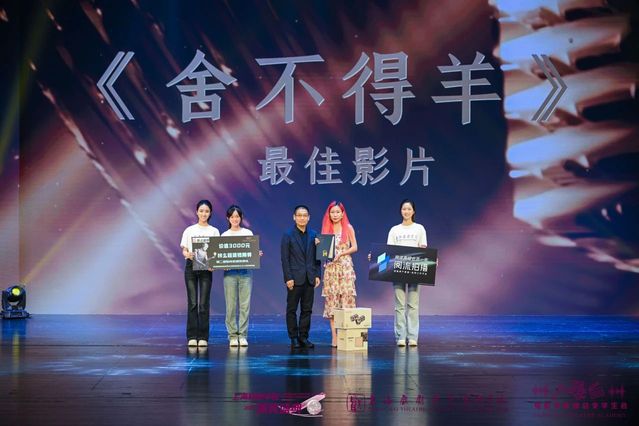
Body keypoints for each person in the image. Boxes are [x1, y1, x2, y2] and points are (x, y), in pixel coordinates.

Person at [387, 199, 427, 347]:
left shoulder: (419, 229)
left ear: (413, 211)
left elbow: (423, 250)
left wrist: (431, 261)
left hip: (414, 270)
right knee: (399, 305)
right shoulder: (394, 230)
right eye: (404, 209)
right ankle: (401, 336)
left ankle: (413, 336)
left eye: (409, 209)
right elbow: (388, 251)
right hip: (397, 269)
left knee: (413, 305)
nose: (406, 211)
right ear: (401, 211)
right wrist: (375, 258)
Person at [180, 200, 220, 348]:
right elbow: (184, 250)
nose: (204, 214)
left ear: (210, 213)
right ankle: (192, 336)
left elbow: (216, 253)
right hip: (191, 267)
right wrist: (187, 254)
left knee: (203, 303)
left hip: (206, 269)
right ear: (197, 212)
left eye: (207, 211)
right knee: (192, 303)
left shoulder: (214, 231)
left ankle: (203, 336)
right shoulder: (189, 230)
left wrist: (213, 264)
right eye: (201, 211)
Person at [281, 205, 321, 349]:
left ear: (308, 217)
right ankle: (293, 338)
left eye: (305, 215)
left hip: (309, 277)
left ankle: (303, 337)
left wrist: (317, 274)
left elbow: (318, 257)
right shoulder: (288, 234)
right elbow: (285, 259)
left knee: (307, 309)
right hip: (294, 278)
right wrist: (288, 278)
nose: (302, 218)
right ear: (294, 217)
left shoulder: (314, 234)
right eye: (299, 215)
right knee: (292, 309)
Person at [222, 205, 262, 348]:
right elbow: (221, 256)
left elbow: (251, 252)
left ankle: (243, 335)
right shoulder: (224, 236)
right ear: (228, 218)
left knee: (244, 305)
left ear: (241, 217)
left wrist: (256, 254)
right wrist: (222, 264)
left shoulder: (247, 233)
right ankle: (233, 336)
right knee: (231, 305)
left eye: (237, 216)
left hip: (246, 272)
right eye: (232, 217)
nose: (235, 219)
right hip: (230, 274)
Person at [320, 201, 358, 347]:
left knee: (347, 299)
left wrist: (341, 254)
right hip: (331, 269)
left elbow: (355, 247)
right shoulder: (326, 229)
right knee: (332, 302)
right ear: (329, 214)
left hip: (345, 267)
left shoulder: (348, 227)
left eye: (337, 212)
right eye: (332, 212)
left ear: (342, 214)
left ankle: (346, 335)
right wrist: (319, 246)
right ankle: (334, 337)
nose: (335, 215)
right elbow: (323, 252)